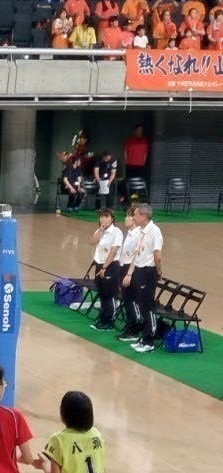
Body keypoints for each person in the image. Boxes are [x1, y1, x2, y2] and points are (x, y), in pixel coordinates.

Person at [120, 203, 163, 354]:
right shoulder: (140, 231)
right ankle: (143, 338)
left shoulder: (154, 231)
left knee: (148, 307)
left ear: (144, 216)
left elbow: (157, 255)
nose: (133, 217)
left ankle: (149, 342)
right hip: (138, 270)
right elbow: (136, 254)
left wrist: (159, 271)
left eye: (136, 215)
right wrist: (130, 272)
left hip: (148, 272)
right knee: (141, 305)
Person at [89, 207, 123, 332]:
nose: (103, 219)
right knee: (102, 293)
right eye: (101, 216)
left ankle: (109, 322)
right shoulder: (101, 230)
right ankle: (103, 319)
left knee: (110, 295)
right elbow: (92, 241)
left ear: (112, 219)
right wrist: (101, 230)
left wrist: (104, 267)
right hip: (99, 264)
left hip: (110, 266)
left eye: (106, 216)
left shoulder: (117, 232)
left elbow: (113, 251)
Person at [122, 123, 149, 198]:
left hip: (140, 165)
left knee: (139, 182)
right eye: (138, 130)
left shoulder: (144, 140)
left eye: (141, 130)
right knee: (129, 182)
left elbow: (145, 152)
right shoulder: (129, 140)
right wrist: (126, 161)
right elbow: (125, 151)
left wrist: (143, 162)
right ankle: (128, 197)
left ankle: (137, 197)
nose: (140, 131)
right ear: (135, 131)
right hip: (130, 164)